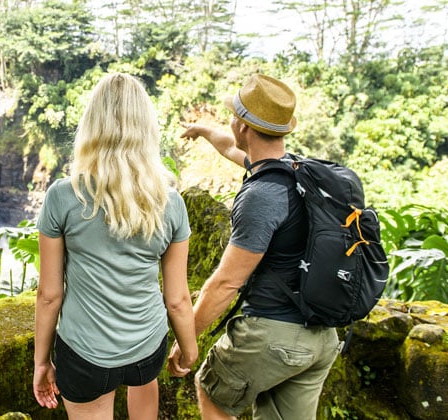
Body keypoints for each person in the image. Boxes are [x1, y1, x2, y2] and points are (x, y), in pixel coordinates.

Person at [168, 74, 341, 419]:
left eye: (234, 115)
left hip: (274, 333)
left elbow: (226, 284)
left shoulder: (261, 196)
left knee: (212, 388)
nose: (230, 122)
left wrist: (187, 342)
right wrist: (202, 130)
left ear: (243, 125)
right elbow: (229, 147)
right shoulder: (299, 173)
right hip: (323, 337)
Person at [32, 72, 198, 420]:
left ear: (91, 125)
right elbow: (178, 299)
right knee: (143, 384)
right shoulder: (169, 202)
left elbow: (49, 294)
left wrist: (42, 361)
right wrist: (189, 350)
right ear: (146, 128)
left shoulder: (63, 196)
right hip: (147, 349)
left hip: (85, 354)